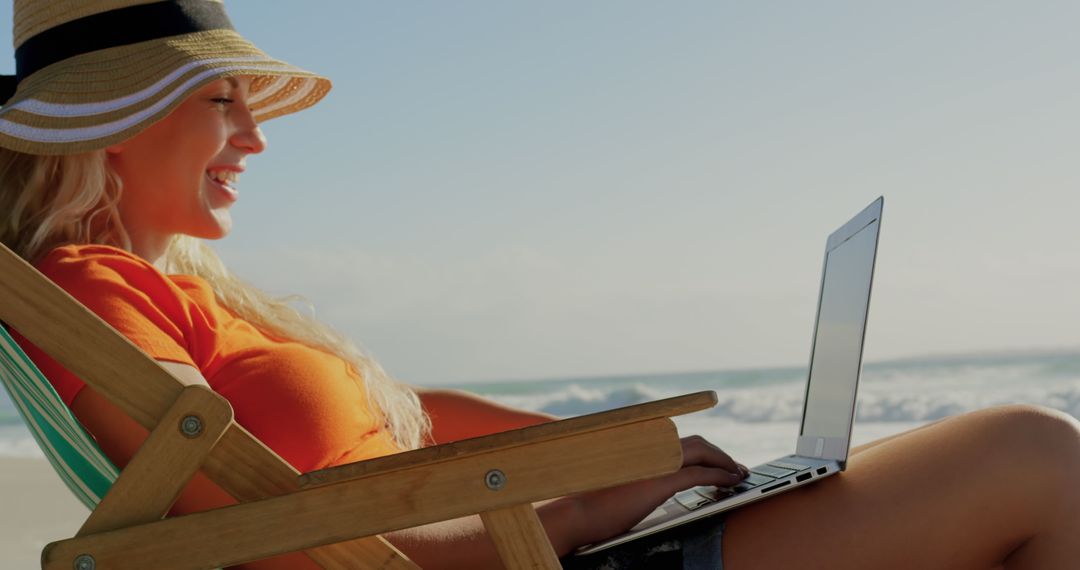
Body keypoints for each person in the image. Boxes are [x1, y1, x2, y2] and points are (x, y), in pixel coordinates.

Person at [0, 2, 1077, 569]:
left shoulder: (174, 292)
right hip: (513, 561)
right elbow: (282, 538)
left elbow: (394, 442)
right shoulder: (92, 294)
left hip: (527, 541)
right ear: (119, 114)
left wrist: (620, 445)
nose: (252, 140)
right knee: (1028, 454)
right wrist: (589, 505)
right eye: (224, 103)